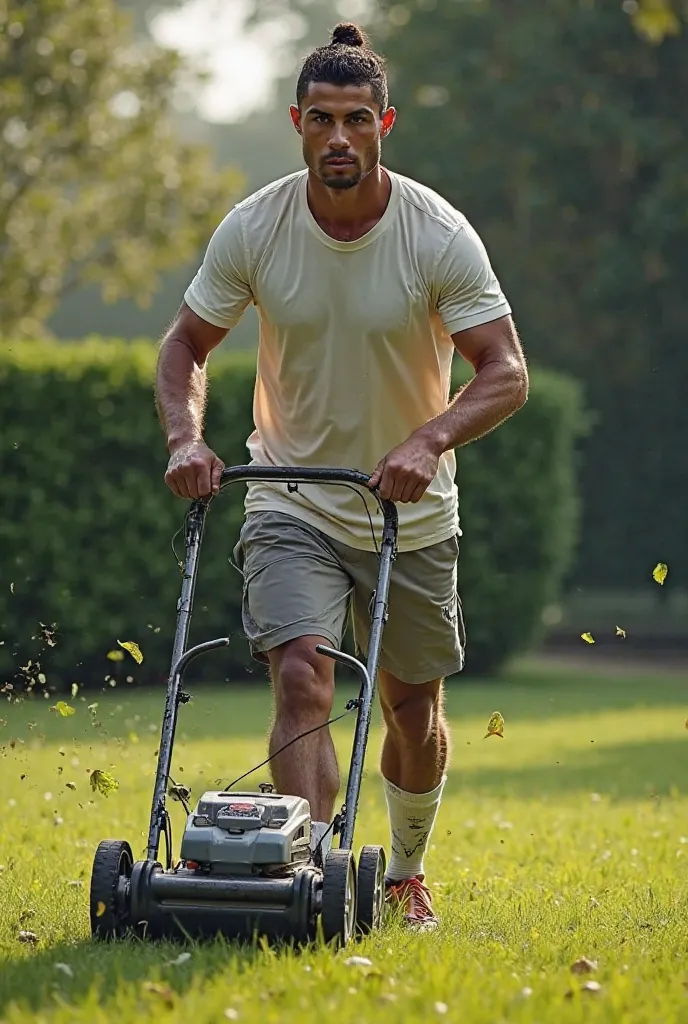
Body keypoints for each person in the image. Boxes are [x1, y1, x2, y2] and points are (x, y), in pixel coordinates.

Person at [155, 21, 528, 930]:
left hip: (410, 510)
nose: (337, 139)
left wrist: (428, 441)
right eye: (320, 120)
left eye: (355, 120)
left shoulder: (437, 234)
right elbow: (185, 347)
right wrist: (185, 440)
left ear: (383, 124)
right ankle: (310, 884)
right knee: (301, 677)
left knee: (411, 712)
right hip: (290, 492)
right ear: (296, 122)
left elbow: (505, 370)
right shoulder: (257, 225)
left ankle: (402, 871)